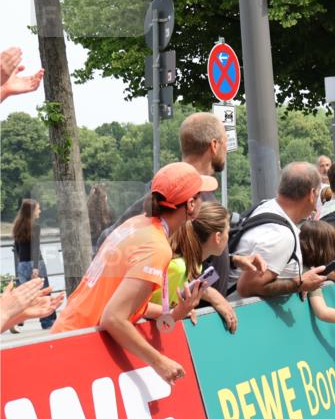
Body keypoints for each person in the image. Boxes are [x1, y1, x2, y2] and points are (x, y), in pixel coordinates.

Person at [52, 163, 216, 384]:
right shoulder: (157, 247)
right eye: (200, 195)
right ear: (190, 204)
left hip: (66, 335)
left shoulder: (137, 224)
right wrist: (160, 362)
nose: (203, 200)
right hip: (80, 345)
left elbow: (127, 303)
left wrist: (176, 311)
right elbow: (113, 318)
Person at [98, 112, 264, 306]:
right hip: (182, 323)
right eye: (225, 142)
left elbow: (189, 252)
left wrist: (232, 260)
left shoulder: (189, 193)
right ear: (214, 145)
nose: (226, 149)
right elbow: (169, 262)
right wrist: (210, 295)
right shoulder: (176, 195)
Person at [228, 162, 329, 300]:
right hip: (241, 317)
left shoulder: (265, 205)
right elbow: (247, 287)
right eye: (318, 194)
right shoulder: (281, 235)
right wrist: (300, 283)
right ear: (312, 194)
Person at [151, 202, 238, 333]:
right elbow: (139, 306)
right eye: (228, 231)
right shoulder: (177, 267)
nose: (228, 236)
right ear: (218, 237)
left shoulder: (195, 265)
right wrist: (174, 312)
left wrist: (181, 310)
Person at [11, 199, 57, 329]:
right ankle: (47, 322)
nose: (40, 211)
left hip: (22, 264)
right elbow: (35, 248)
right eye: (38, 208)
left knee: (25, 295)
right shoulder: (35, 227)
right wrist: (36, 267)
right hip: (36, 264)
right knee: (44, 293)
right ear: (31, 211)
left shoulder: (17, 227)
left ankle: (15, 319)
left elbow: (17, 249)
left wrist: (23, 263)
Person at [87, 184, 114, 252]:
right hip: (106, 250)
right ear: (105, 198)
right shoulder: (109, 215)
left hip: (91, 250)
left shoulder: (85, 216)